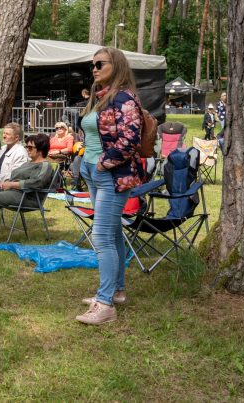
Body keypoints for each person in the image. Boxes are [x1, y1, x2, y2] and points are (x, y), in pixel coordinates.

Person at [76, 47, 146, 326]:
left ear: (115, 65)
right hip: (94, 173)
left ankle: (104, 304)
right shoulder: (102, 97)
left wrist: (106, 162)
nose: (94, 69)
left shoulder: (124, 98)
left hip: (112, 176)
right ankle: (116, 290)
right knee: (113, 233)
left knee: (101, 237)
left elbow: (131, 138)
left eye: (99, 64)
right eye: (92, 65)